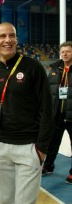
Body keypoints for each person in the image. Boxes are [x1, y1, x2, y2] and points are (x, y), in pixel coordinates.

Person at [0, 22, 53, 204]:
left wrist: (41, 148)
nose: (8, 40)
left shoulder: (33, 67)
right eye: (3, 36)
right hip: (0, 147)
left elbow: (47, 108)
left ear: (16, 39)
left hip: (29, 147)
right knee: (5, 200)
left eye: (12, 35)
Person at [43, 41, 72, 184]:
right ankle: (48, 166)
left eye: (68, 51)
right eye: (63, 52)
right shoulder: (54, 69)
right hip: (56, 115)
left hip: (71, 115)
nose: (64, 54)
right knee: (52, 143)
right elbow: (49, 92)